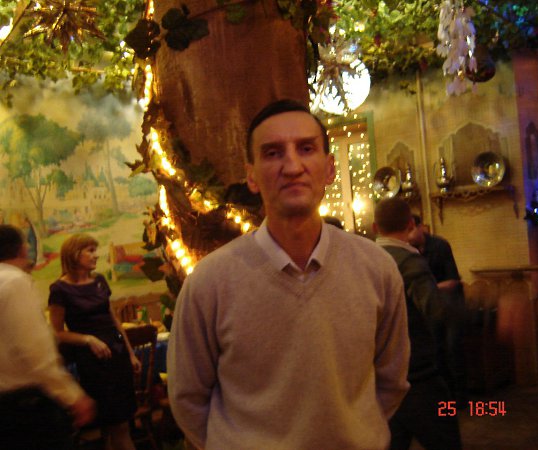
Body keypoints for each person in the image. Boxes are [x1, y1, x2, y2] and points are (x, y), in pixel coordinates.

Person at [168, 99, 411, 450]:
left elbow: (392, 381)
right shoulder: (210, 283)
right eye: (273, 153)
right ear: (252, 176)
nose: (293, 166)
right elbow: (188, 398)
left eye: (306, 149)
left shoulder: (377, 269)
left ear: (329, 168)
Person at [374, 198, 462, 450]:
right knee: (447, 440)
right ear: (411, 224)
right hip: (419, 375)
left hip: (381, 376)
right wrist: (486, 317)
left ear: (375, 227)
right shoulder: (408, 260)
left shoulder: (366, 259)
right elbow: (436, 311)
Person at [0, 224, 95, 450]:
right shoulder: (15, 282)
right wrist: (72, 395)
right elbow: (35, 350)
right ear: (23, 249)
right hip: (23, 406)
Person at [48, 234, 141, 450]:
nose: (96, 255)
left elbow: (113, 319)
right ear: (74, 254)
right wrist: (88, 339)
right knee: (112, 424)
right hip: (94, 362)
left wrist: (130, 353)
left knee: (121, 424)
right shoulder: (60, 289)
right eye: (90, 250)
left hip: (117, 356)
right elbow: (57, 333)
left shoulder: (99, 280)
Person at [409, 214, 467, 404]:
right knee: (436, 350)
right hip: (429, 308)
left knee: (453, 348)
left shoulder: (439, 246)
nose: (408, 235)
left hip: (451, 305)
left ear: (421, 227)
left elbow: (453, 281)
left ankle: (461, 398)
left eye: (411, 229)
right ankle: (446, 398)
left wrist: (428, 287)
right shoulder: (409, 250)